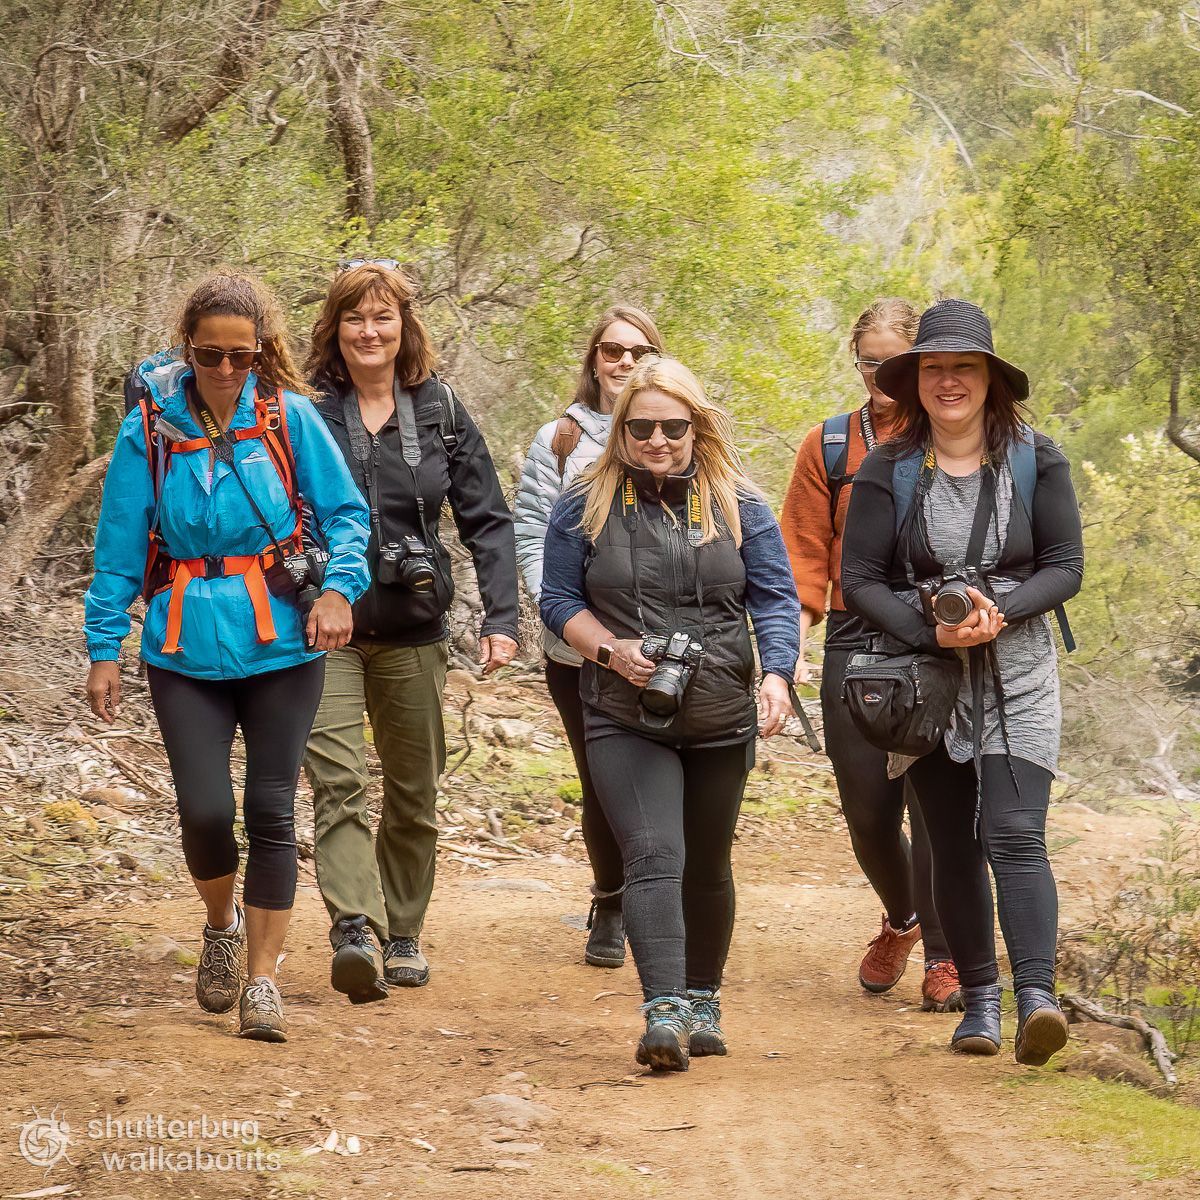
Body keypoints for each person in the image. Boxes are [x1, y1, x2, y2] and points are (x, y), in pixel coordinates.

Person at [84, 270, 371, 1042]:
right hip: (181, 642)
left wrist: (341, 589)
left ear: (260, 353)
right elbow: (116, 547)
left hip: (283, 639)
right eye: (209, 355)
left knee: (273, 810)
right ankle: (221, 924)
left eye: (238, 357)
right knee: (206, 811)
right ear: (188, 350)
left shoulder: (292, 419)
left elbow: (347, 517)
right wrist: (104, 646)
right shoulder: (149, 430)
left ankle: (263, 982)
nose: (222, 370)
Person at [540, 356, 800, 1071]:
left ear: (697, 428)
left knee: (708, 863)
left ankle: (703, 996)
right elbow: (558, 601)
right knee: (654, 852)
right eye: (643, 427)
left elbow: (775, 598)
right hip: (624, 707)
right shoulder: (581, 504)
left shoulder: (738, 504)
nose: (659, 441)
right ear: (623, 429)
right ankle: (662, 1011)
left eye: (674, 428)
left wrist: (777, 675)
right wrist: (611, 652)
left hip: (719, 707)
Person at [841, 298, 1083, 1064]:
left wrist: (1000, 611)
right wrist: (932, 629)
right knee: (949, 844)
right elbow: (860, 580)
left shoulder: (1036, 458)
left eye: (964, 368)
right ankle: (979, 1001)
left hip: (1017, 673)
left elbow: (1065, 567)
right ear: (915, 381)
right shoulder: (888, 468)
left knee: (1013, 833)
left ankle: (1035, 999)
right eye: (934, 368)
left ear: (990, 379)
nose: (949, 381)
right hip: (925, 680)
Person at [302, 261, 520, 1003]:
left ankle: (403, 932)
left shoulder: (440, 409)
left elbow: (487, 519)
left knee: (413, 791)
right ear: (334, 328)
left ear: (404, 325)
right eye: (355, 318)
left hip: (414, 628)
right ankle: (354, 927)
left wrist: (502, 617)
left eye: (383, 317)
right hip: (322, 629)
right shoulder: (303, 410)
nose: (369, 331)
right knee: (336, 780)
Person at [780, 300, 961, 1012]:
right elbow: (801, 552)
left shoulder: (951, 438)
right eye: (868, 363)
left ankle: (946, 957)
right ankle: (903, 919)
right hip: (855, 641)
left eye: (893, 364)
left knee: (936, 805)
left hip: (939, 642)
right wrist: (788, 643)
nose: (881, 379)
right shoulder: (828, 446)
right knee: (868, 809)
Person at [514, 304, 665, 970]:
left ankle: (660, 899)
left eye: (637, 351)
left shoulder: (676, 429)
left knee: (664, 774)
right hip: (576, 648)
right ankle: (610, 899)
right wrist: (563, 611)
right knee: (602, 778)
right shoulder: (561, 440)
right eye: (611, 350)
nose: (623, 363)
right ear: (593, 358)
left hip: (665, 645)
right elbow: (529, 535)